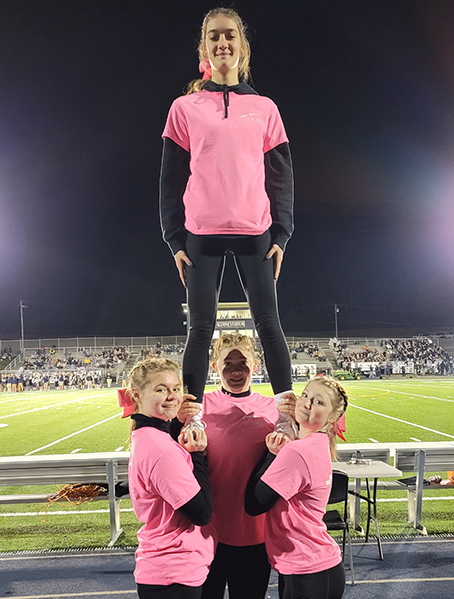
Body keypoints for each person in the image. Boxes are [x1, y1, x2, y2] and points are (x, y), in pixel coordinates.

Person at [159, 7, 295, 408]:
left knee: (269, 325)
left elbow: (281, 177)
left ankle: (287, 415)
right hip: (201, 234)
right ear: (204, 47)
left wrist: (282, 234)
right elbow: (170, 179)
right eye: (214, 36)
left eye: (230, 36)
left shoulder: (265, 108)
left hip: (256, 232)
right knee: (199, 331)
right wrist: (174, 238)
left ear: (242, 46)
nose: (223, 43)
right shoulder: (184, 108)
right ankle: (192, 418)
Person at [171, 333, 286, 599]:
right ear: (214, 367)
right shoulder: (198, 409)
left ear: (255, 365)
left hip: (254, 534)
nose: (236, 371)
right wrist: (177, 422)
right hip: (206, 534)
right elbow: (173, 455)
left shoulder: (273, 410)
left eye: (243, 363)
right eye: (228, 364)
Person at [245, 377, 348, 598]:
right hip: (318, 568)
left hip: (307, 570)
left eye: (319, 402)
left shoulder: (297, 451)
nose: (307, 403)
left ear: (332, 418)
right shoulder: (318, 445)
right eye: (305, 395)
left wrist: (271, 455)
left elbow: (254, 503)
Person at [120, 357, 212, 598]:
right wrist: (199, 456)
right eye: (160, 389)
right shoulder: (160, 448)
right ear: (137, 395)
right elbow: (201, 513)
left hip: (166, 568)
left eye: (176, 389)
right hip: (173, 571)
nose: (172, 396)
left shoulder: (147, 435)